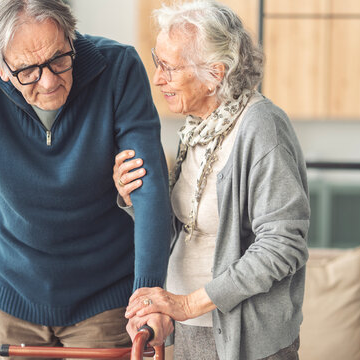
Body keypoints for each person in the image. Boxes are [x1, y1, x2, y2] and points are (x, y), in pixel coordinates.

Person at [0, 0, 173, 357]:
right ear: (1, 68)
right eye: (29, 70)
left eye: (60, 58)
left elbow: (147, 188)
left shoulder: (118, 68)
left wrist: (148, 293)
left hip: (104, 296)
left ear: (71, 37)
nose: (51, 80)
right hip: (13, 296)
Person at [114, 1, 310, 359]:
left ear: (215, 74)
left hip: (244, 342)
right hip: (190, 331)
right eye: (158, 63)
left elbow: (283, 245)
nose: (158, 78)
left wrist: (189, 303)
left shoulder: (261, 128)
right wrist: (131, 201)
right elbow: (191, 232)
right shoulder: (197, 130)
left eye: (169, 68)